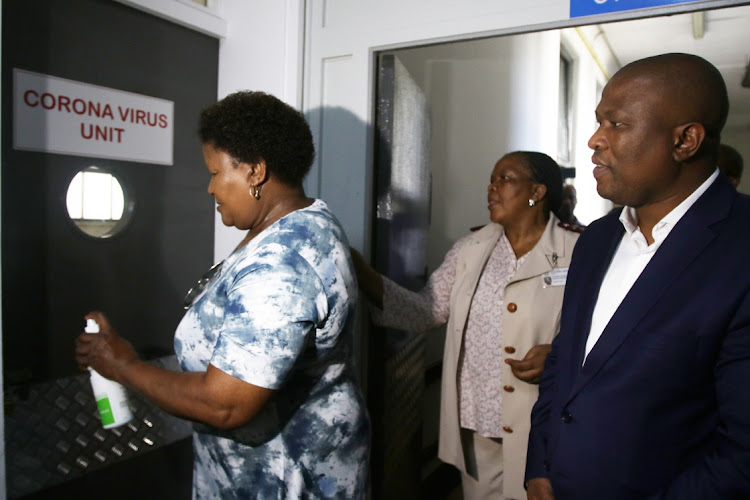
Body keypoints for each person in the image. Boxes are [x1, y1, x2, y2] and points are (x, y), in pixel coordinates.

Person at [75, 91, 370, 499]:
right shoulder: (301, 222)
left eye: (215, 172)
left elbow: (225, 405)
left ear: (254, 171)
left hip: (284, 480)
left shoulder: (280, 263)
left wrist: (123, 366)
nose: (211, 188)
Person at [525, 53, 750, 499]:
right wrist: (540, 465)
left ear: (685, 140)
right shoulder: (597, 239)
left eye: (617, 124)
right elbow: (565, 363)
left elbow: (742, 451)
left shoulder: (740, 247)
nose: (595, 140)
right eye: (597, 122)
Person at [352, 151, 580, 499]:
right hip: (477, 420)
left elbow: (604, 329)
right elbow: (427, 309)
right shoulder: (470, 248)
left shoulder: (577, 249)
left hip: (543, 423)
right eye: (491, 178)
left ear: (536, 191)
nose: (492, 187)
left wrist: (560, 354)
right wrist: (363, 274)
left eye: (505, 178)